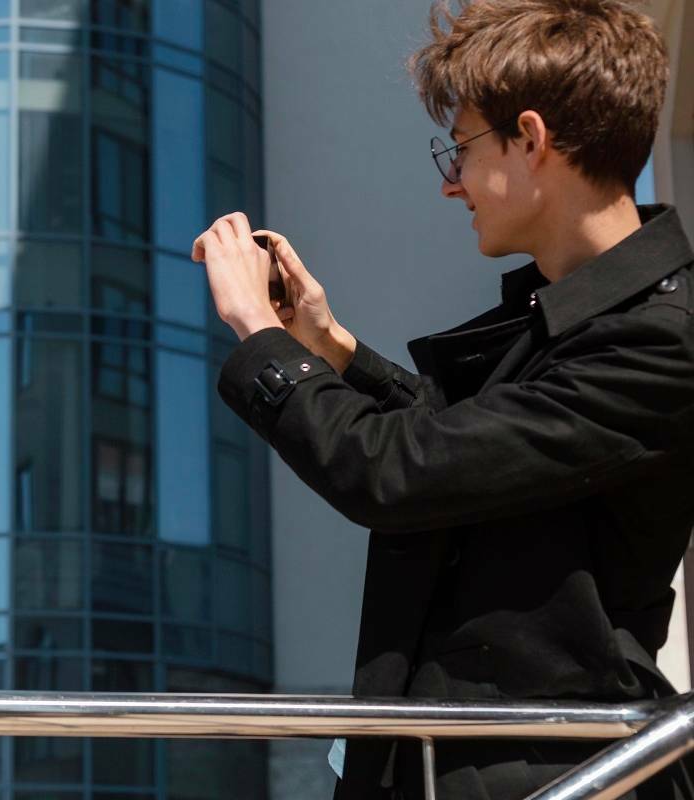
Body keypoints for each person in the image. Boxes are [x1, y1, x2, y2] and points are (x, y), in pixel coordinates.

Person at [192, 1, 694, 798]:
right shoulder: (588, 319)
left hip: (554, 773)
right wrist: (329, 346)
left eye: (460, 148)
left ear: (530, 140)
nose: (451, 184)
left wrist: (257, 330)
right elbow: (461, 439)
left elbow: (401, 473)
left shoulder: (660, 340)